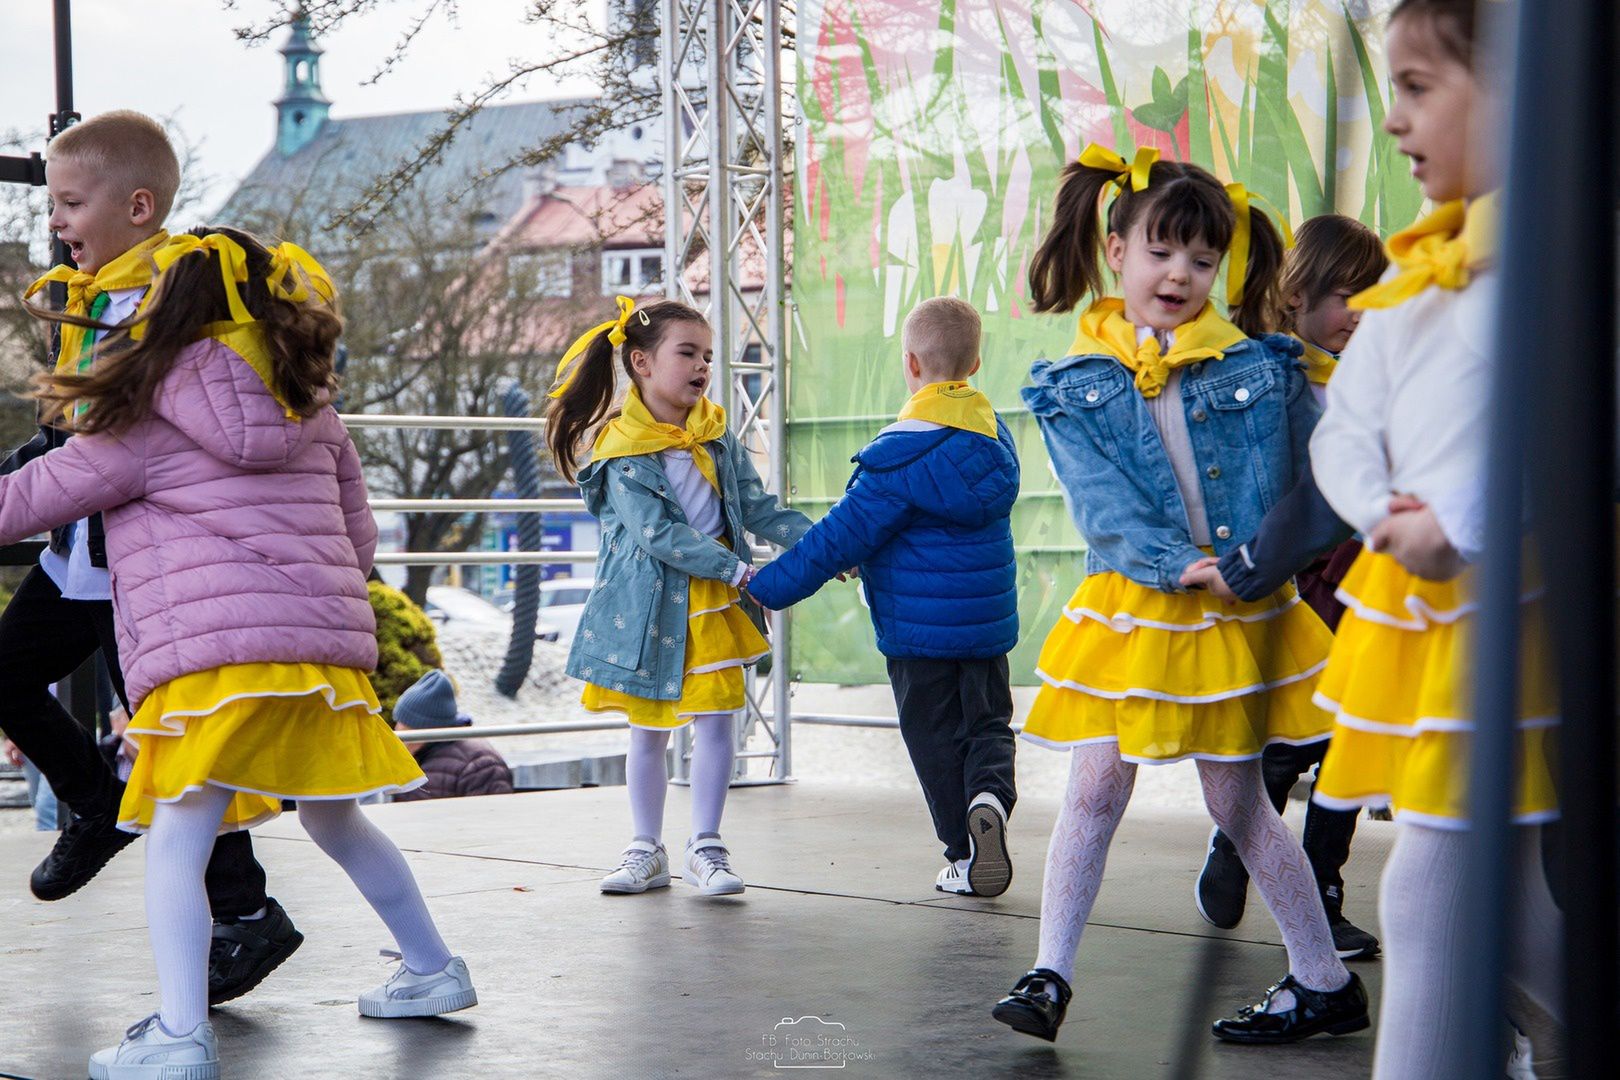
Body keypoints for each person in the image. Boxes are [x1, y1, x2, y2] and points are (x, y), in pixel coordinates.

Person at [0, 227, 476, 1079]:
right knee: (334, 815)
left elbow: (26, 501)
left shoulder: (142, 422)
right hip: (321, 665)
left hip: (210, 664)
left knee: (178, 832)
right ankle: (434, 968)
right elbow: (360, 545)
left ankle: (181, 1034)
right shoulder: (315, 412)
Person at [989, 144, 1368, 1046]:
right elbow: (1103, 506)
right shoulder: (1073, 383)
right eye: (1161, 253)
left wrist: (1252, 559)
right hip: (1136, 603)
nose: (1180, 274)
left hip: (1229, 607)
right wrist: (1175, 563)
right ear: (1114, 249)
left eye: (1202, 260)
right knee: (1091, 794)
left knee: (1237, 804)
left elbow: (1330, 473)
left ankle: (1323, 980)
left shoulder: (1268, 368)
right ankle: (1049, 976)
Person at [1298, 2, 1565, 1074]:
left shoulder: (1559, 267)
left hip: (1519, 608)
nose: (1398, 117)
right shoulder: (1408, 282)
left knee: (1428, 888)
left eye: (1419, 87)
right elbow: (1345, 431)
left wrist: (1464, 522)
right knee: (1511, 901)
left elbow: (1558, 430)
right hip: (1419, 608)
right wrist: (1384, 516)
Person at [2, 109, 301, 1007]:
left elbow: (134, 437)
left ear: (137, 206)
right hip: (79, 558)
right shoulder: (87, 300)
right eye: (52, 203)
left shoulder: (177, 300)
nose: (54, 222)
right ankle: (95, 802)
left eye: (69, 203)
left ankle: (246, 918)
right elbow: (70, 429)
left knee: (185, 757)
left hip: (151, 571)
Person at [748, 297, 1020, 897]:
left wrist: (765, 588)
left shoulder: (894, 460)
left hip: (916, 635)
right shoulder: (996, 439)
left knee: (933, 735)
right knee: (989, 724)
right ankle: (991, 800)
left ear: (911, 366)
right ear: (975, 364)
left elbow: (834, 541)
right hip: (986, 626)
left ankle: (960, 851)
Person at [545, 297, 812, 897]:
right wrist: (741, 571)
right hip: (648, 612)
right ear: (640, 362)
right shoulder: (621, 450)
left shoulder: (717, 435)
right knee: (648, 731)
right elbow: (658, 536)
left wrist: (823, 545)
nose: (701, 367)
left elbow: (759, 507)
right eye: (687, 353)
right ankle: (645, 847)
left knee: (719, 720)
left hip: (713, 603)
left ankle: (707, 847)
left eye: (708, 356)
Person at [1184, 214, 1388, 960]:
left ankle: (1323, 890)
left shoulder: (1369, 378)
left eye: (1372, 295)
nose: (1359, 311)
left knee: (1348, 739)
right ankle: (1239, 844)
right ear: (1296, 295)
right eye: (1343, 295)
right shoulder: (1274, 376)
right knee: (1288, 739)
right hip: (1295, 576)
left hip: (1364, 578)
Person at [391, 670, 515, 801]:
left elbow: (492, 816)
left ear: (424, 728)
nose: (396, 731)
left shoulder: (480, 765)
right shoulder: (418, 757)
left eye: (404, 725)